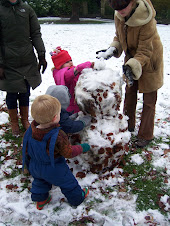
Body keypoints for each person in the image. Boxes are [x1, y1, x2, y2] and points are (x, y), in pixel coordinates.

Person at [96, 0, 163, 148]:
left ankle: (146, 134)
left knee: (149, 100)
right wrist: (112, 50)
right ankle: (127, 126)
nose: (119, 11)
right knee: (130, 93)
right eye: (116, 8)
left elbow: (145, 50)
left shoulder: (146, 19)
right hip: (131, 57)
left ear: (132, 2)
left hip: (150, 58)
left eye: (122, 7)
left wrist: (133, 65)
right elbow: (119, 37)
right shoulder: (119, 15)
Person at [22, 94, 90, 210]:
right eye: (59, 114)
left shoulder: (30, 130)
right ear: (55, 118)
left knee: (40, 182)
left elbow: (26, 149)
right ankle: (77, 198)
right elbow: (68, 152)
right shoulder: (58, 135)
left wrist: (26, 165)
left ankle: (41, 199)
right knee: (68, 183)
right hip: (54, 168)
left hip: (35, 166)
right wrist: (82, 147)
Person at [0, 0, 47, 135]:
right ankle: (14, 122)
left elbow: (36, 33)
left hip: (27, 59)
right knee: (12, 92)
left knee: (25, 91)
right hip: (8, 61)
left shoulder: (27, 9)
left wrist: (41, 55)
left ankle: (25, 120)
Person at [51, 46, 94, 113]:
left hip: (76, 100)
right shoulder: (62, 74)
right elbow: (71, 73)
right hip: (70, 104)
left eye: (71, 60)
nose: (70, 63)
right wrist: (87, 65)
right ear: (60, 65)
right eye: (67, 62)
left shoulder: (69, 70)